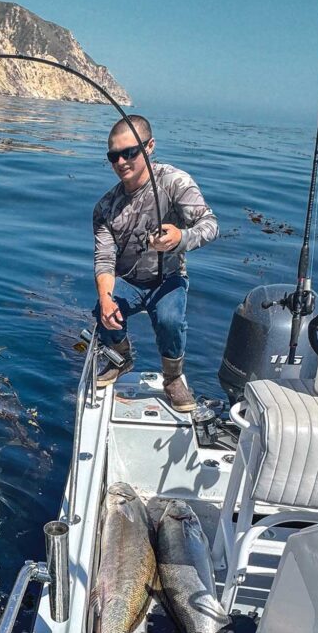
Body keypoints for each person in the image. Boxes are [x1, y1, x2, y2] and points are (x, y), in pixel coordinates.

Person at [93, 114, 218, 411]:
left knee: (169, 320)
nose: (121, 161)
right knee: (103, 311)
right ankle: (121, 358)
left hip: (169, 278)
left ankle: (173, 378)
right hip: (129, 281)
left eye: (130, 152)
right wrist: (106, 298)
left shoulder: (175, 183)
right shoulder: (104, 207)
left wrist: (180, 237)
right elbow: (104, 259)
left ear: (149, 147)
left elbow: (210, 224)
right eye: (114, 156)